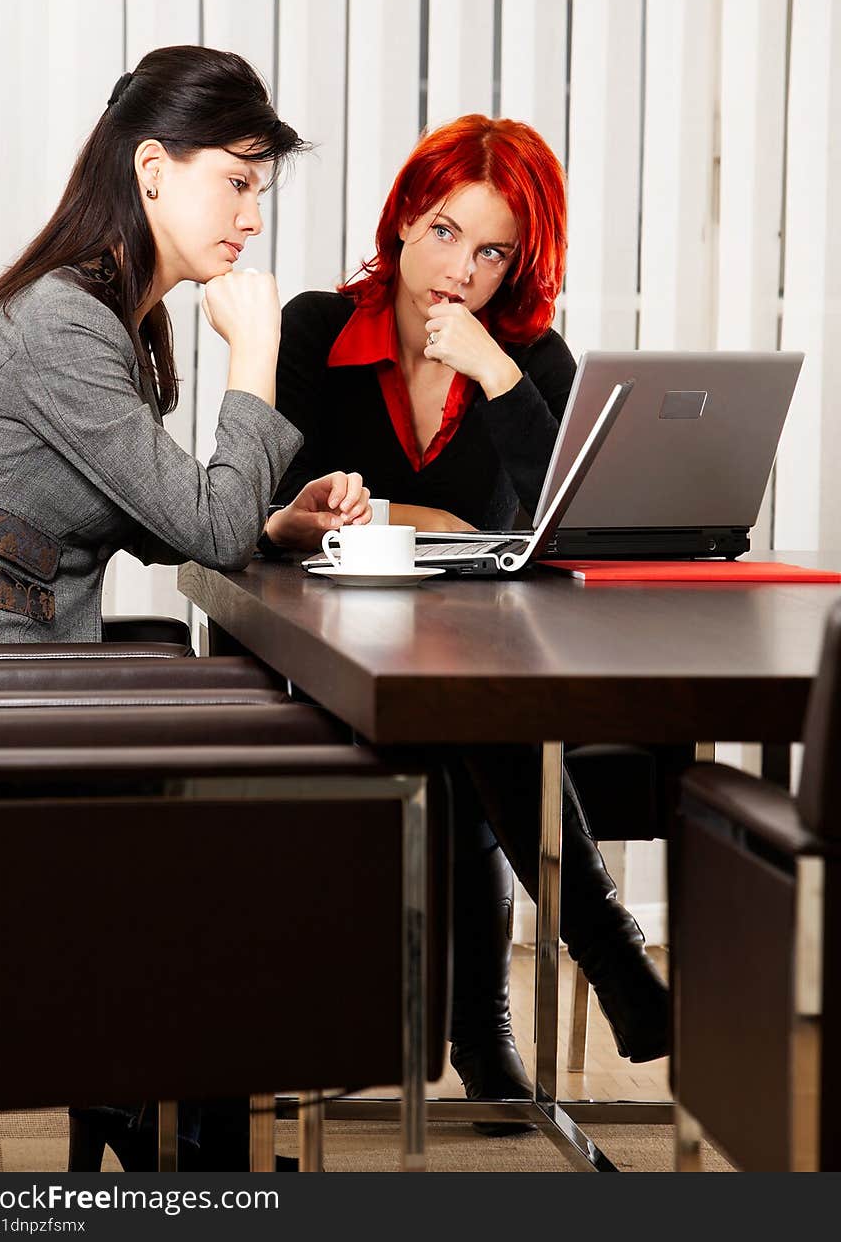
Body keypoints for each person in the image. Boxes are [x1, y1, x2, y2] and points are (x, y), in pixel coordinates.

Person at [0, 44, 371, 1165]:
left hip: (28, 683)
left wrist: (274, 519)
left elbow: (152, 512)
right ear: (153, 169)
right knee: (260, 803)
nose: (249, 215)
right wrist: (258, 360)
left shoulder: (109, 316)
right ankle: (183, 1138)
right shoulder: (67, 323)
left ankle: (165, 1122)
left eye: (258, 190)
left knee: (259, 779)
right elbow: (199, 528)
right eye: (235, 180)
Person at [273, 114, 671, 1131]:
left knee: (456, 703)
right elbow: (275, 500)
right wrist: (423, 516)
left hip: (468, 663)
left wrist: (496, 375)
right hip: (327, 653)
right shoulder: (319, 328)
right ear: (405, 217)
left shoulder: (527, 358)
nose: (460, 270)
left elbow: (575, 519)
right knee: (460, 707)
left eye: (492, 250)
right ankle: (565, 976)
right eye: (446, 231)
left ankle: (488, 1023)